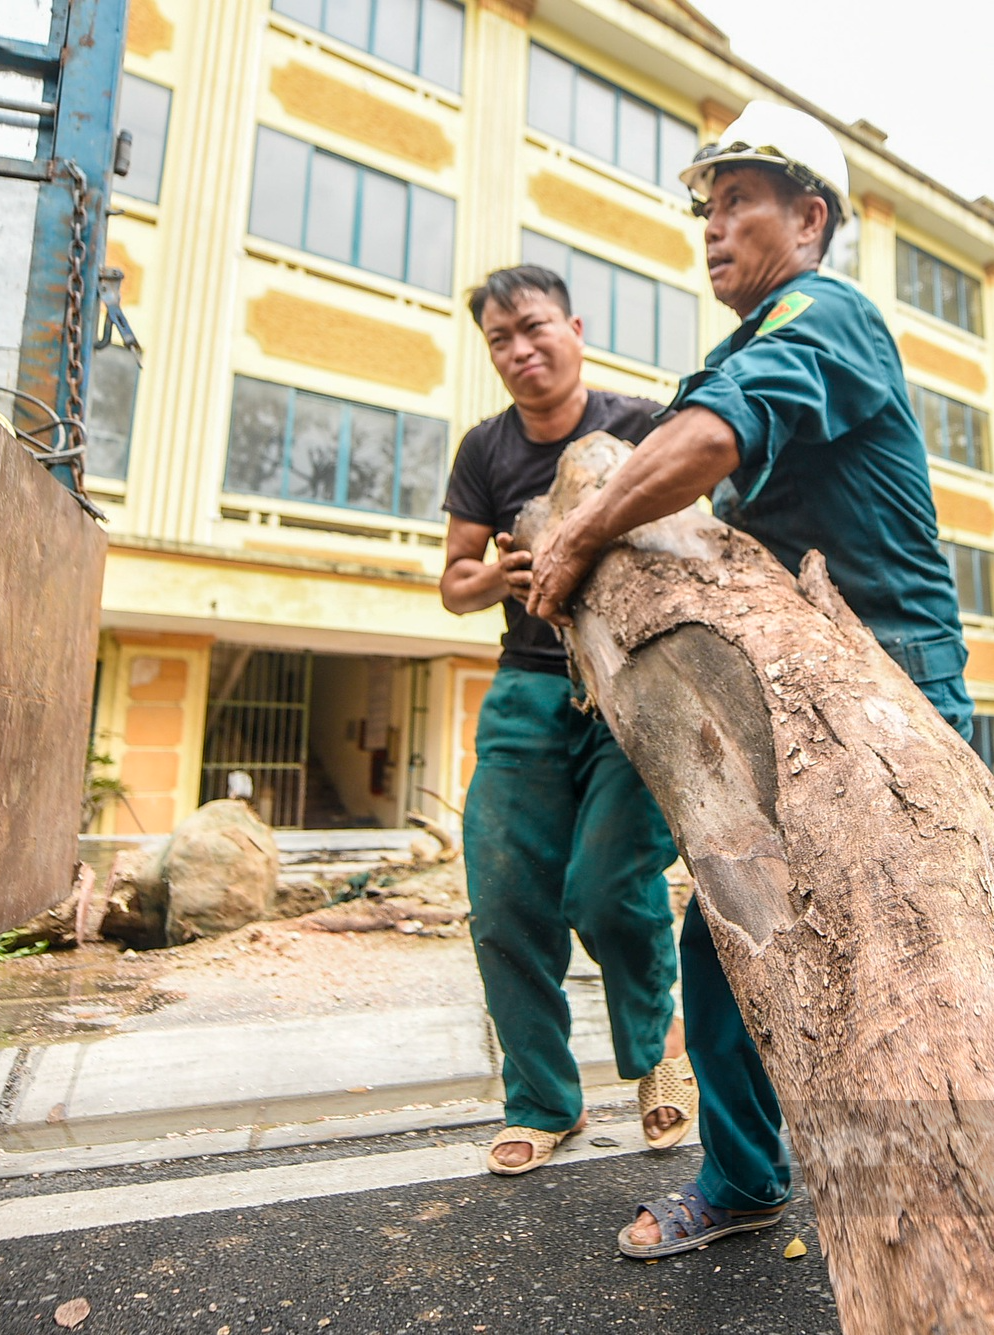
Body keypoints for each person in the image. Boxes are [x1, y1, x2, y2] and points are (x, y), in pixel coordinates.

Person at [525, 101, 975, 1257]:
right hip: (798, 686)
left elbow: (711, 441)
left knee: (909, 951)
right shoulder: (748, 338)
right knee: (729, 937)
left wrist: (575, 540)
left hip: (890, 688)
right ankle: (742, 1179)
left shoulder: (825, 315)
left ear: (807, 218)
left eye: (737, 204)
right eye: (704, 209)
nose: (710, 229)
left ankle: (973, 1200)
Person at [440, 266, 698, 1176]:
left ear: (575, 327)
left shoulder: (643, 423)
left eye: (534, 327)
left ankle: (660, 1048)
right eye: (500, 339)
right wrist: (495, 580)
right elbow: (452, 584)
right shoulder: (484, 450)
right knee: (505, 896)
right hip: (530, 689)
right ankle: (543, 1097)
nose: (520, 350)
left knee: (606, 883)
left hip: (637, 691)